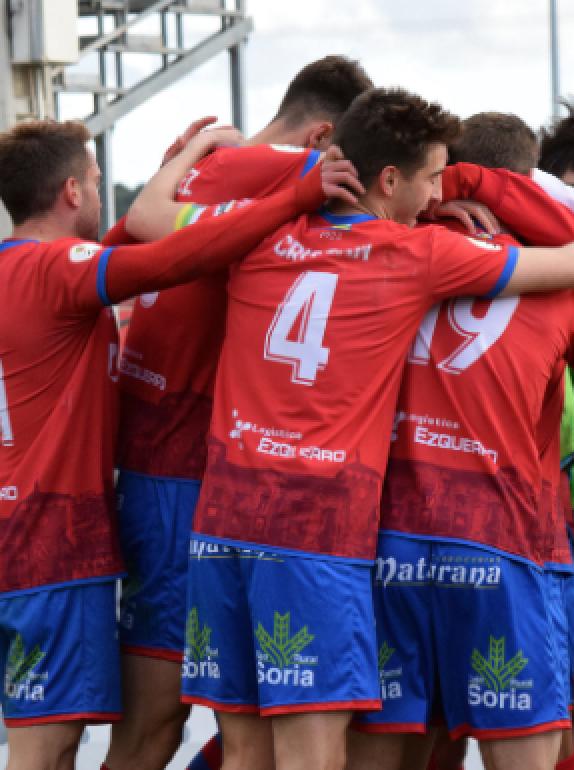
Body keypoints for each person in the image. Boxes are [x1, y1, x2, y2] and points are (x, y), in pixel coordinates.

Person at [178, 87, 574, 770]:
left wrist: (256, 166)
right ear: (394, 180)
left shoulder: (269, 236)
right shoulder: (431, 261)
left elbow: (160, 216)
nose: (439, 189)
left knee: (253, 752)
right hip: (443, 545)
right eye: (434, 176)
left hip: (306, 539)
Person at [0, 118, 355, 770]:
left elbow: (123, 242)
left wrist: (178, 160)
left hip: (37, 532)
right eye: (100, 182)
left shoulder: (33, 269)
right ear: (73, 191)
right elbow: (173, 253)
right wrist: (292, 197)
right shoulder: (59, 272)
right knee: (49, 749)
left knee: (92, 738)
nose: (108, 196)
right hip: (50, 539)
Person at [102, 55, 374, 770]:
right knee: (173, 723)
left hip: (157, 460)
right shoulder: (289, 178)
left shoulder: (202, 164)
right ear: (322, 137)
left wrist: (186, 153)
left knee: (241, 716)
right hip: (187, 475)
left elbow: (135, 227)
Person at [348, 116, 574, 770]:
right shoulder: (564, 291)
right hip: (508, 551)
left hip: (388, 553)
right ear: (528, 186)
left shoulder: (383, 258)